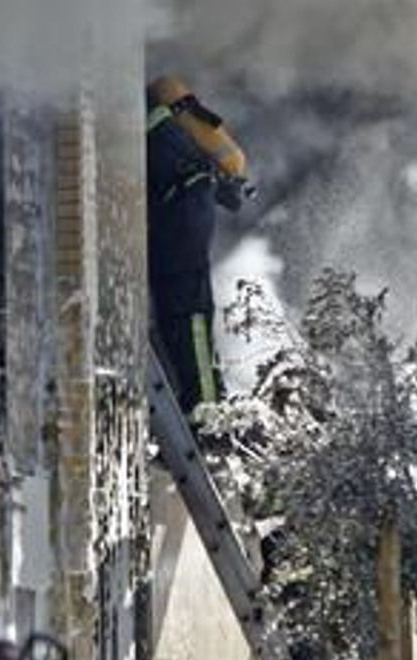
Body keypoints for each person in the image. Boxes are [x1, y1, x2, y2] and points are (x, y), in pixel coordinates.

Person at [146, 74, 252, 417]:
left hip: (184, 212)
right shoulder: (168, 123)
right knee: (188, 311)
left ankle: (206, 414)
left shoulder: (145, 117)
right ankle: (202, 403)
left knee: (188, 312)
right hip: (189, 206)